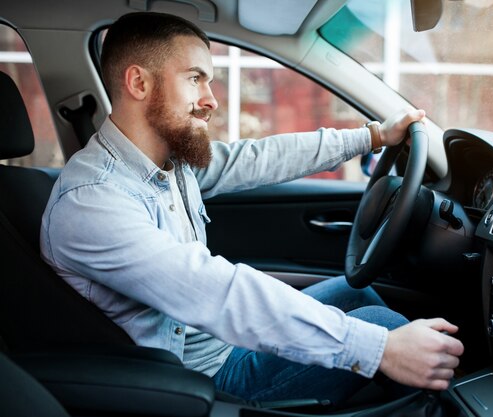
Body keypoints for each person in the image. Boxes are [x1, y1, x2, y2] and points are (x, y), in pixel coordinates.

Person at [40, 11, 464, 407]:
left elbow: (259, 157)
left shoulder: (164, 164)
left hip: (215, 343)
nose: (211, 100)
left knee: (356, 294)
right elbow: (216, 291)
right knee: (382, 328)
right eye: (195, 79)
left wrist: (371, 136)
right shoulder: (93, 201)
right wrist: (380, 350)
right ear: (139, 83)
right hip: (195, 381)